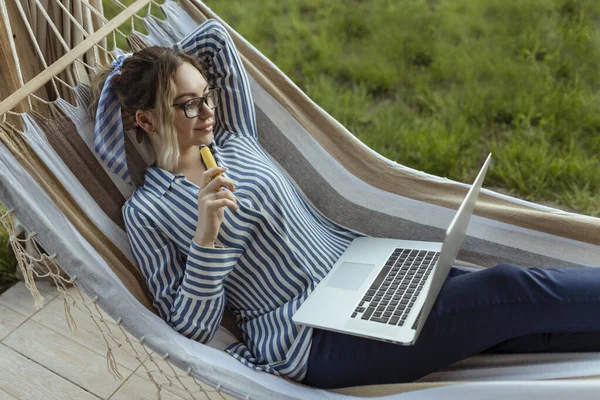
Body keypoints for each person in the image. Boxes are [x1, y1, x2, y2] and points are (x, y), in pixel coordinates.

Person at [91, 19, 600, 389]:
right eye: (187, 105)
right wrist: (208, 235)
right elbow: (187, 330)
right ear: (146, 121)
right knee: (509, 287)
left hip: (366, 277)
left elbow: (215, 38)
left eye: (206, 95)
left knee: (521, 328)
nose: (206, 110)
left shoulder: (234, 139)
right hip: (314, 340)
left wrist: (154, 69)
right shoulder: (148, 211)